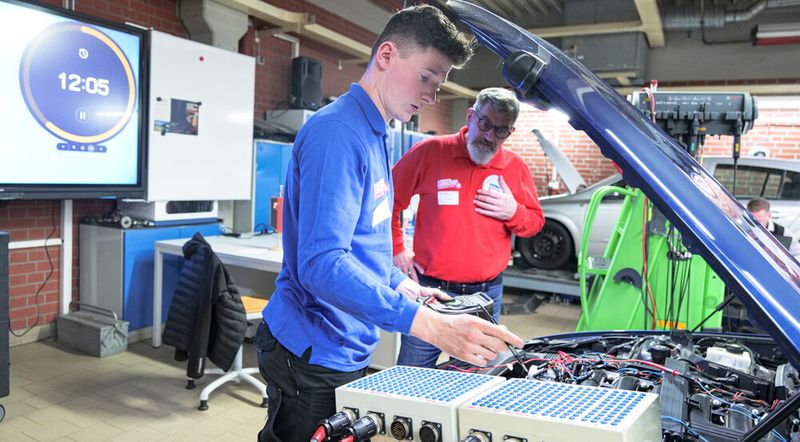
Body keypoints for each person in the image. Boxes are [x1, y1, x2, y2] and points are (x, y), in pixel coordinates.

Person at [255, 6, 524, 441]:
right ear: (386, 55)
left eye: (438, 84)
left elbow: (362, 243)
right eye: (427, 78)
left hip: (346, 342)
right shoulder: (338, 133)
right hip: (311, 350)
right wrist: (428, 325)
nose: (433, 96)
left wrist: (400, 285)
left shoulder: (376, 132)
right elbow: (322, 263)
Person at [391, 87, 545, 368]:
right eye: (485, 124)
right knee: (411, 375)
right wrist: (396, 248)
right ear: (471, 116)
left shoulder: (514, 168)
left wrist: (513, 212)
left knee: (472, 379)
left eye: (501, 131)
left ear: (510, 132)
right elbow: (388, 201)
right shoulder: (431, 152)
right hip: (432, 293)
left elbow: (534, 225)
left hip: (486, 296)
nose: (489, 136)